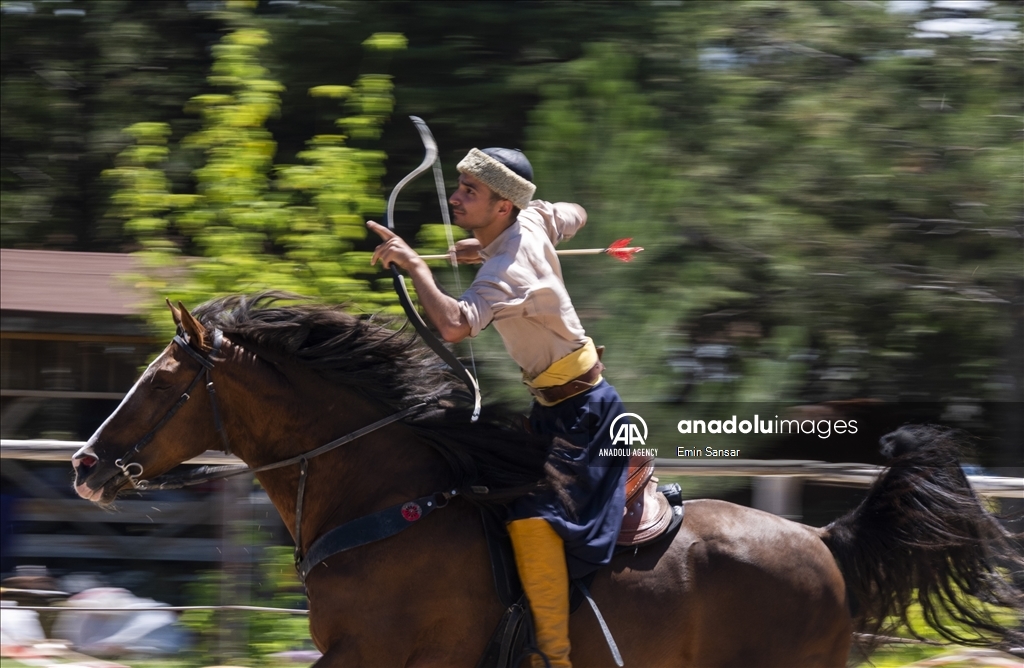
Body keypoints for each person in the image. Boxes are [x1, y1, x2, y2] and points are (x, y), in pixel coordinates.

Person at [368, 147, 628, 667]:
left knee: (532, 519)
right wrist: (484, 245)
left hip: (586, 417)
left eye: (470, 192)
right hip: (556, 407)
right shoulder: (529, 220)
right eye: (459, 185)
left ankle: (552, 657)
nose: (456, 197)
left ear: (503, 206)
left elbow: (455, 324)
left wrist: (418, 264)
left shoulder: (510, 266)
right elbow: (572, 213)